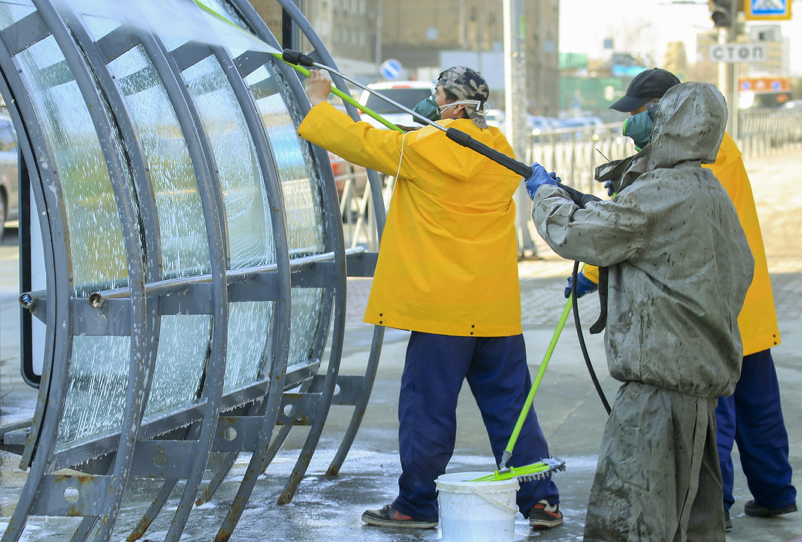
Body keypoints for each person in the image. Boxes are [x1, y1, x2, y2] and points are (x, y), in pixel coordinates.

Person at [296, 66, 563, 530]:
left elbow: (367, 144)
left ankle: (416, 506)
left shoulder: (424, 149)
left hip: (442, 311)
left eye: (437, 95)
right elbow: (415, 142)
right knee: (512, 409)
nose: (430, 101)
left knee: (427, 411)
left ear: (456, 105)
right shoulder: (500, 149)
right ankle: (541, 502)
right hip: (494, 308)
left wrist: (319, 102)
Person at [570, 68, 797, 531]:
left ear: (662, 111)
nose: (633, 124)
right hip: (741, 304)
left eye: (638, 113)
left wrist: (593, 272)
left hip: (702, 312)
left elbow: (649, 225)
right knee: (758, 406)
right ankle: (776, 493)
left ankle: (718, 506)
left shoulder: (694, 161)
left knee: (714, 417)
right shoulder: (717, 146)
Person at [527, 81, 754, 539]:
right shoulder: (710, 192)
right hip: (697, 389)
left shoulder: (660, 193)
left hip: (657, 395)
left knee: (630, 522)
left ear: (668, 123)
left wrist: (545, 194)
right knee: (692, 525)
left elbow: (579, 235)